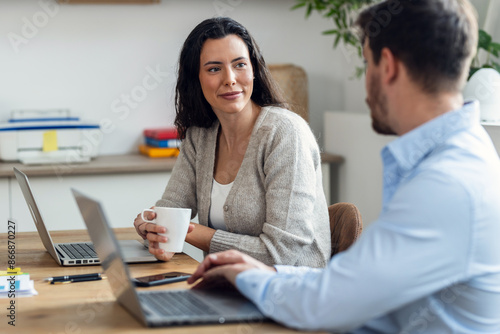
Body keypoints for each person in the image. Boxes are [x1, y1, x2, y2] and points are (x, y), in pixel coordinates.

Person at [187, 0, 500, 332]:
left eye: (367, 63)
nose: (366, 84)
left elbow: (327, 304)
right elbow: (362, 290)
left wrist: (248, 278)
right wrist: (269, 273)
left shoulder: (445, 184)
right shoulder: (463, 158)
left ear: (388, 66)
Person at [133, 17, 331, 267]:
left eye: (239, 65)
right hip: (227, 287)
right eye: (214, 69)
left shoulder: (285, 134)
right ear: (196, 79)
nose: (230, 79)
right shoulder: (200, 136)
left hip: (290, 293)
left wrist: (189, 231)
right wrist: (154, 227)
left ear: (254, 70)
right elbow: (172, 207)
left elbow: (281, 253)